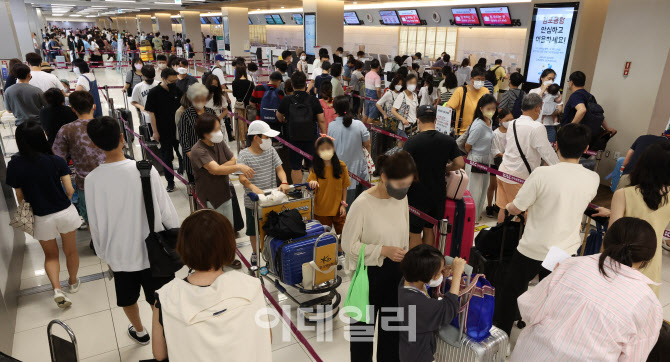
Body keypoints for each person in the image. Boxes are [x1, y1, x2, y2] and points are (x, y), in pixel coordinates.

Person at [495, 123, 600, 336]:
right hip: (564, 250)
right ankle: (542, 338)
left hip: (533, 247)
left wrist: (508, 207)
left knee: (510, 292)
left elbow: (518, 206)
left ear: (557, 145)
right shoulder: (592, 178)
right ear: (586, 147)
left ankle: (501, 339)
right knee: (552, 296)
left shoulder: (542, 174)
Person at [510, 217, 663, 361]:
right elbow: (633, 358)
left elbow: (529, 310)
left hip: (531, 355)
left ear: (605, 240)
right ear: (647, 259)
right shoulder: (648, 303)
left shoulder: (571, 265)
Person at [85, 116, 179, 346]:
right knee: (158, 297)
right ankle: (164, 334)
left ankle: (140, 331)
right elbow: (167, 212)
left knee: (127, 297)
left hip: (119, 254)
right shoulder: (145, 169)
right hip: (154, 251)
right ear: (121, 138)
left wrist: (103, 254)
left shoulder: (92, 180)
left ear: (95, 144)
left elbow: (95, 224)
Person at [151, 209, 271, 361]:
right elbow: (266, 338)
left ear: (183, 247)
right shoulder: (251, 286)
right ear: (228, 245)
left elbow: (159, 354)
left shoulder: (166, 297)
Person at [342, 151, 416, 362]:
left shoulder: (401, 199)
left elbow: (404, 234)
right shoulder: (362, 204)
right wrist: (383, 250)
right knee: (361, 340)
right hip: (367, 277)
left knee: (392, 337)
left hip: (396, 275)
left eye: (407, 185)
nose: (403, 189)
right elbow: (347, 245)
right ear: (384, 177)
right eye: (400, 184)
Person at [7, 121, 81, 308]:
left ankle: (57, 289)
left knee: (51, 256)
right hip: (64, 212)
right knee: (70, 251)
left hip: (41, 217)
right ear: (42, 138)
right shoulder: (56, 160)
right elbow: (70, 190)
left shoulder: (15, 165)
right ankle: (72, 282)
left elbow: (19, 195)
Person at [593, 142, 670, 296]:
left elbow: (611, 235)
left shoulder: (624, 193)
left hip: (622, 260)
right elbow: (649, 216)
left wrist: (599, 264)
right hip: (651, 258)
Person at [404, 105, 464, 246]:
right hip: (437, 192)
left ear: (418, 120)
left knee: (414, 232)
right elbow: (460, 163)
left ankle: (416, 264)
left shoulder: (412, 142)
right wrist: (446, 168)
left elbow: (403, 167)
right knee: (429, 228)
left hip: (416, 193)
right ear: (435, 120)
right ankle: (429, 264)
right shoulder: (448, 141)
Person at [496, 93, 559, 222]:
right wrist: (560, 167)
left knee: (503, 208)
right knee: (523, 212)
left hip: (503, 172)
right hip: (519, 177)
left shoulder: (512, 123)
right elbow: (547, 153)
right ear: (537, 108)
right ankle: (518, 241)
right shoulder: (537, 127)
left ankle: (499, 236)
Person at [398, 245, 465, 362]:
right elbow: (449, 307)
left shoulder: (406, 281)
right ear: (427, 275)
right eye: (439, 272)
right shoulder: (418, 304)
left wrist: (439, 273)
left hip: (407, 350)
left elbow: (423, 284)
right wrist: (457, 275)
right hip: (420, 356)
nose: (441, 273)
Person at [237, 121, 290, 266]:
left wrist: (284, 181)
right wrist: (253, 187)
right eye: (266, 137)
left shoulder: (271, 151)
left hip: (271, 198)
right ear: (256, 138)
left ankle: (270, 251)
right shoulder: (244, 155)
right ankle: (255, 253)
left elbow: (279, 169)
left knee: (271, 226)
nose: (269, 141)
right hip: (253, 202)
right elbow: (241, 177)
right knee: (254, 230)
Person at [52, 91, 106, 230]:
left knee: (91, 218)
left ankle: (97, 243)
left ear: (73, 109)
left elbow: (58, 158)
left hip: (85, 183)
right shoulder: (106, 125)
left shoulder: (67, 130)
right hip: (111, 178)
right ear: (94, 106)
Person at [189, 113, 251, 224]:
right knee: (213, 234)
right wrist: (237, 167)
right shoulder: (198, 150)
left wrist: (219, 168)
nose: (220, 132)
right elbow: (216, 170)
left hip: (225, 194)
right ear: (205, 133)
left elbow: (232, 160)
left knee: (227, 228)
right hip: (209, 200)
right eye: (216, 130)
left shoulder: (218, 142)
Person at [276, 71, 326, 184]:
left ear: (292, 85)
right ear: (305, 84)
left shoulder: (287, 100)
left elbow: (279, 116)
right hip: (311, 137)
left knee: (296, 166)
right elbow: (321, 120)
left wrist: (285, 120)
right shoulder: (314, 100)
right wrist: (324, 135)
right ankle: (314, 189)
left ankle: (297, 190)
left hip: (293, 138)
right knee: (312, 164)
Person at [327, 96, 371, 207]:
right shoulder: (359, 124)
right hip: (359, 171)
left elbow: (330, 148)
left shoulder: (331, 126)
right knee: (361, 203)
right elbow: (367, 143)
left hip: (340, 170)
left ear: (335, 109)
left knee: (345, 206)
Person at [145, 68, 184, 192]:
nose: (173, 83)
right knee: (167, 158)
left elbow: (184, 107)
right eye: (171, 81)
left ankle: (185, 174)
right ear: (163, 79)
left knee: (182, 154)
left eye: (175, 81)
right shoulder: (154, 93)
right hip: (162, 131)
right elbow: (152, 114)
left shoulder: (177, 90)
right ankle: (170, 182)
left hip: (177, 130)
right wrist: (155, 132)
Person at [308, 136, 351, 235]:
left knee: (344, 236)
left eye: (328, 148)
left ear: (333, 149)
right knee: (323, 238)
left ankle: (340, 251)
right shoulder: (316, 168)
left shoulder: (341, 166)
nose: (326, 151)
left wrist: (343, 205)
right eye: (322, 149)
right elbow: (309, 185)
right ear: (317, 152)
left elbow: (345, 187)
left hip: (338, 209)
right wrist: (312, 184)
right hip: (321, 211)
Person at [465, 94, 496, 221]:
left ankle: (476, 216)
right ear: (481, 108)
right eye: (488, 109)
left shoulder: (489, 121)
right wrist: (473, 157)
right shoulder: (478, 125)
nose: (491, 111)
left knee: (483, 189)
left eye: (493, 108)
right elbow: (468, 145)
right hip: (476, 160)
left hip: (486, 159)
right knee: (473, 191)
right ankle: (470, 218)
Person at [179, 83, 217, 183]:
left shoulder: (211, 112)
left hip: (211, 157)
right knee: (198, 189)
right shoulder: (186, 115)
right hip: (193, 159)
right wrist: (197, 160)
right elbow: (184, 140)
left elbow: (216, 134)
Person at [562, 70, 617, 137]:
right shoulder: (590, 96)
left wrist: (570, 128)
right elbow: (598, 114)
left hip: (573, 135)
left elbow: (582, 110)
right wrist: (607, 128)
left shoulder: (576, 95)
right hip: (585, 135)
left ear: (571, 82)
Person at [445, 66, 490, 135]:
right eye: (478, 79)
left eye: (483, 79)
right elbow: (448, 108)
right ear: (471, 79)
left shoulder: (485, 91)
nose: (480, 82)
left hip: (479, 131)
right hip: (462, 132)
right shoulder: (461, 91)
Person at [486, 109, 513, 218]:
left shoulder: (512, 131)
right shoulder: (495, 133)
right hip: (496, 162)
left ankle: (498, 205)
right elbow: (494, 150)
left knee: (501, 186)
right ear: (500, 120)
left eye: (512, 119)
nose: (510, 122)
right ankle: (489, 206)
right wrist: (505, 156)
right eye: (508, 120)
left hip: (508, 163)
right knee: (493, 185)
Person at [528, 69, 563, 143]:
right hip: (535, 125)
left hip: (549, 126)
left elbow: (560, 109)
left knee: (549, 149)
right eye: (549, 78)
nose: (551, 81)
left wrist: (550, 112)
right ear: (542, 78)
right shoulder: (533, 91)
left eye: (553, 79)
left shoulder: (556, 92)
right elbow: (530, 107)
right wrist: (542, 91)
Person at [392, 73, 419, 143]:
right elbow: (393, 110)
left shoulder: (415, 95)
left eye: (414, 83)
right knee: (402, 150)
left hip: (413, 128)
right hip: (403, 128)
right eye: (411, 83)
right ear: (406, 83)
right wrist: (403, 119)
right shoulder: (402, 95)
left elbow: (415, 110)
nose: (413, 85)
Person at [204, 74, 231, 139]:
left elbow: (225, 110)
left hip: (218, 121)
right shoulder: (203, 96)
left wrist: (218, 118)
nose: (214, 86)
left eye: (216, 84)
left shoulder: (220, 97)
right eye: (213, 84)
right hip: (206, 121)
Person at [232, 64, 255, 140]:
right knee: (249, 124)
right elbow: (252, 95)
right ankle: (249, 140)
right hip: (248, 106)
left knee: (240, 124)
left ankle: (242, 142)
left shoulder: (234, 82)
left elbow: (234, 94)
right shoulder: (250, 83)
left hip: (239, 106)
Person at [362, 59, 383, 124]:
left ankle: (362, 130)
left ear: (370, 66)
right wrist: (379, 99)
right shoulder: (377, 77)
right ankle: (368, 132)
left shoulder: (367, 74)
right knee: (371, 117)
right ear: (378, 67)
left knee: (366, 114)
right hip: (373, 98)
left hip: (367, 97)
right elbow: (378, 90)